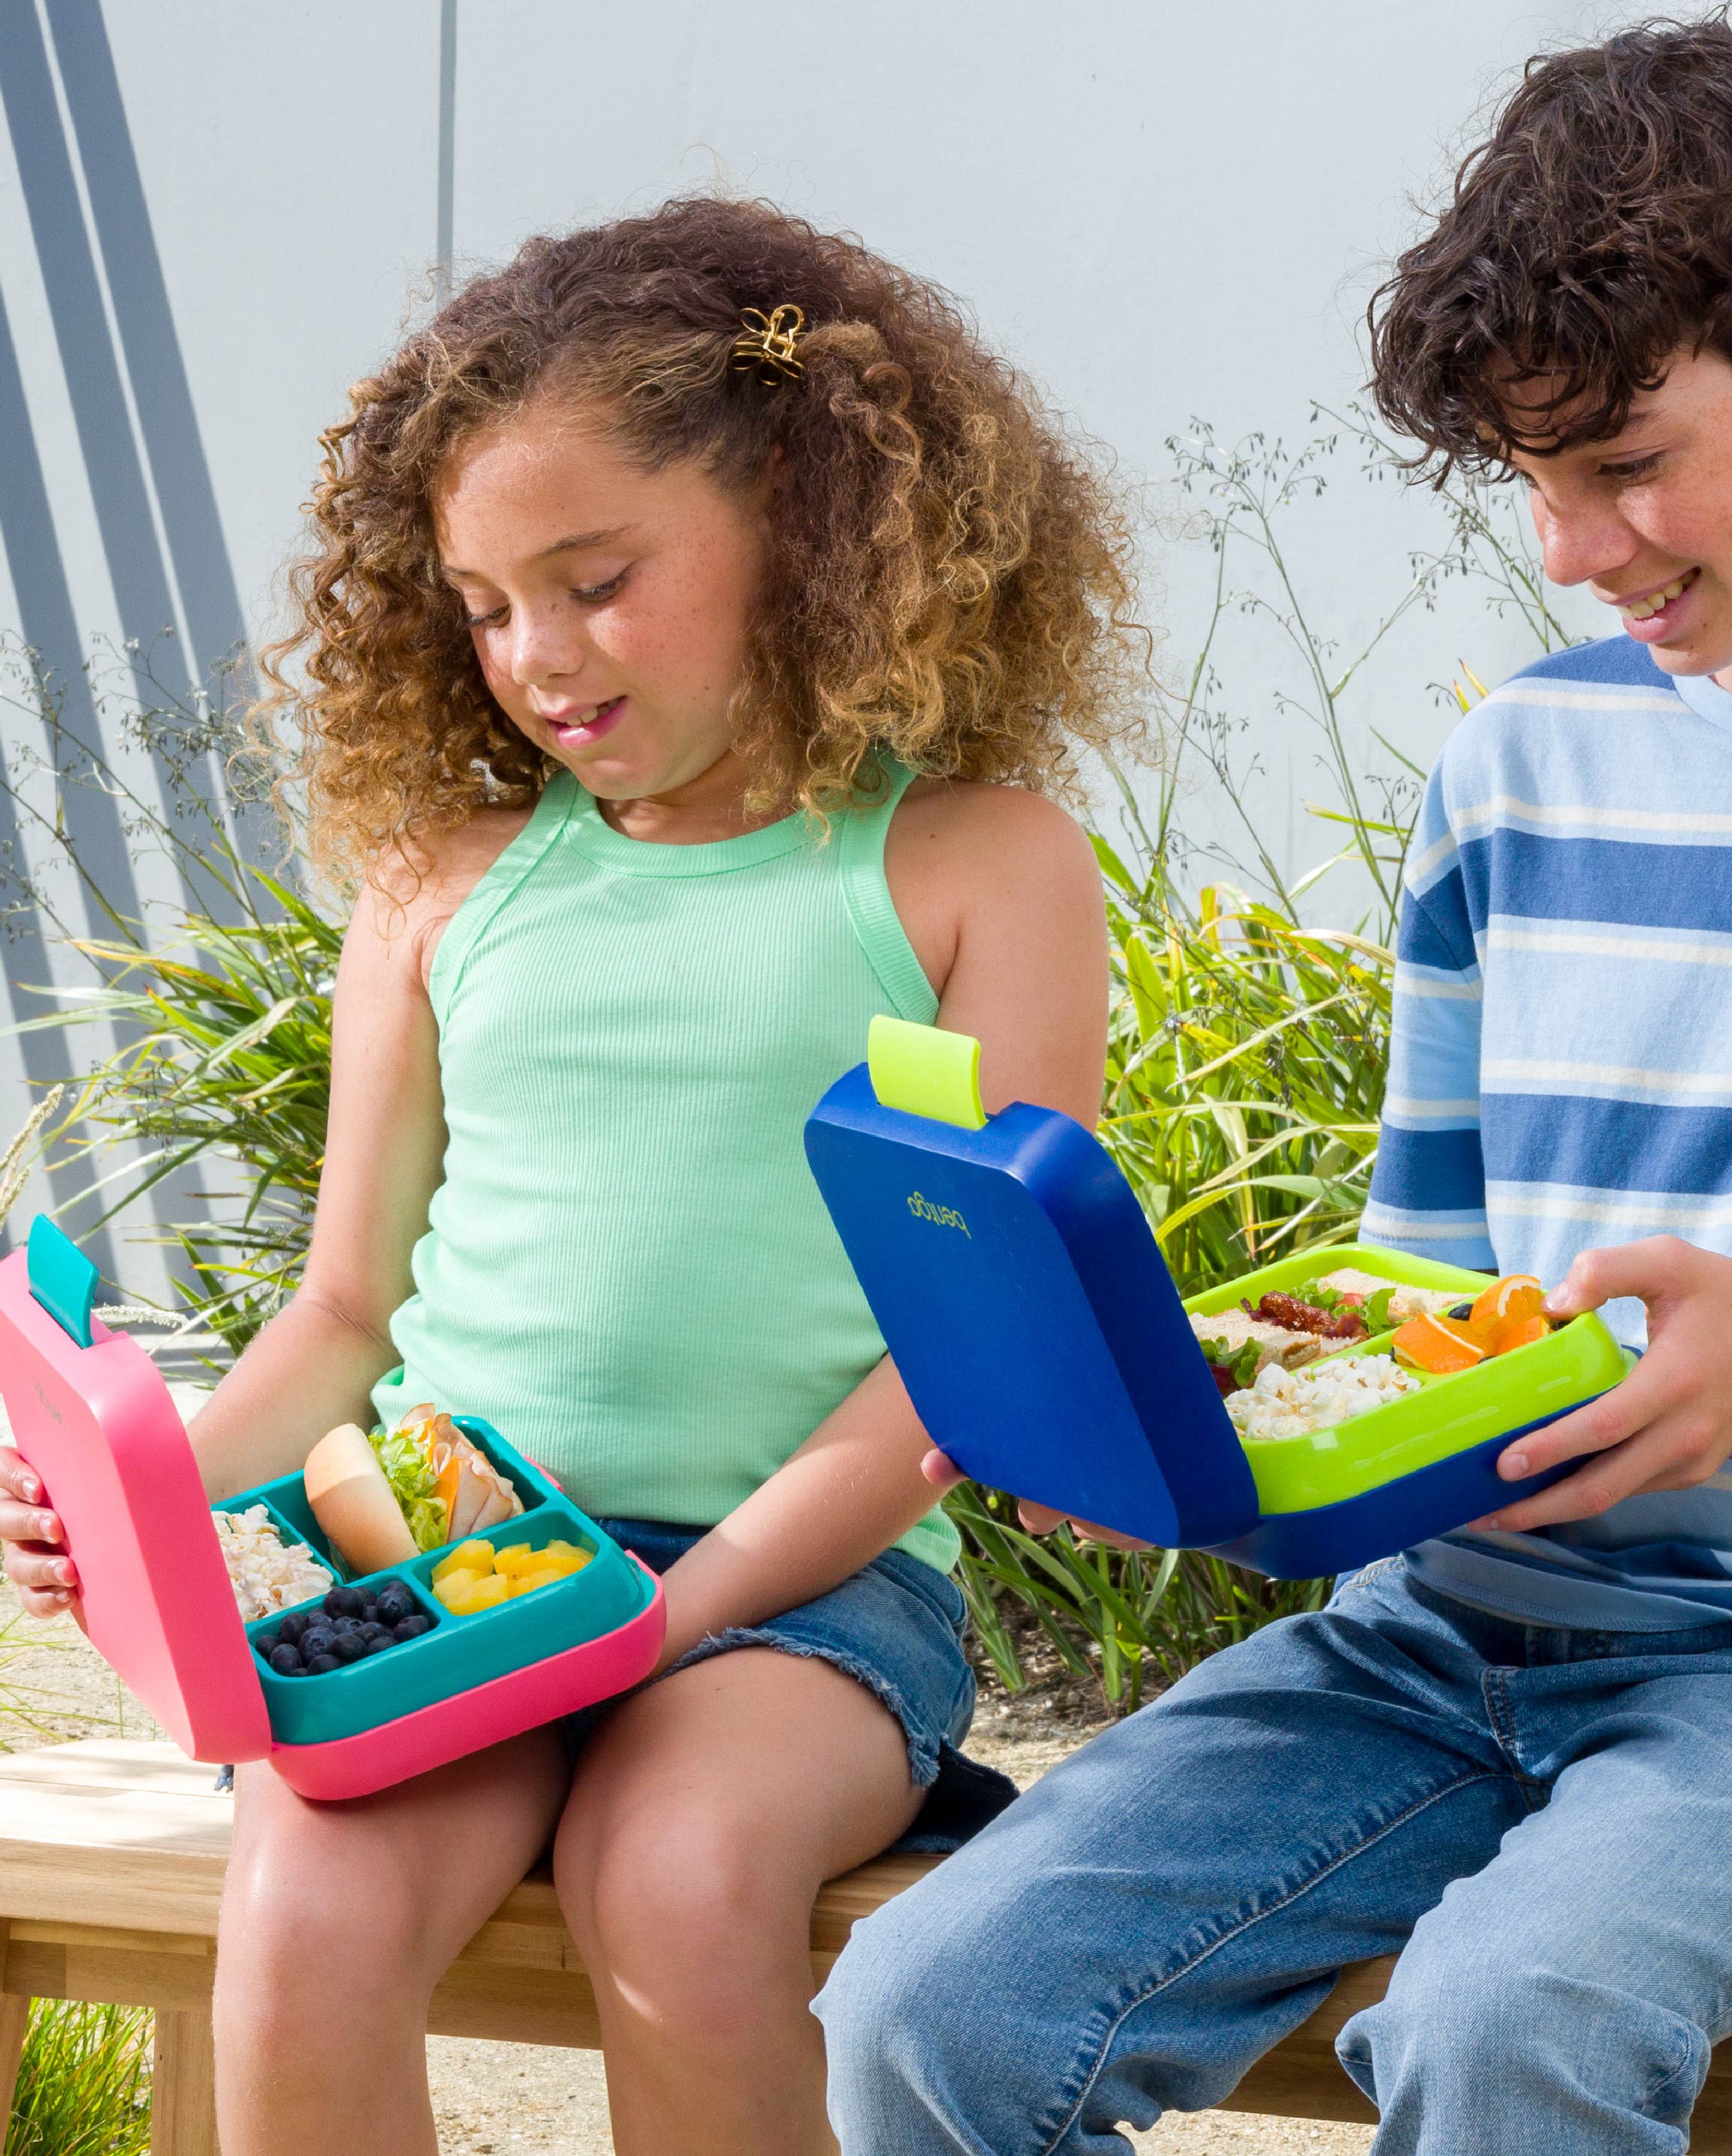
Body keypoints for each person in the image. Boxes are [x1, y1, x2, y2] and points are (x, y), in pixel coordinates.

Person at [815, 14, 1732, 2154]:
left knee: (1513, 2023)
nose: (1571, 548)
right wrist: (1193, 1447)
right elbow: (1434, 1288)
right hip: (1441, 1635)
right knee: (926, 2005)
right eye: (1532, 485)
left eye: (1624, 464)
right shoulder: (1517, 769)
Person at [0, 197, 1135, 2155]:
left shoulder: (973, 867)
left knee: (680, 1888)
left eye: (597, 580)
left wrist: (669, 1613)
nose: (534, 654)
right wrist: (151, 1504)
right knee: (303, 1913)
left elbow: (962, 1362)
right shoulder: (446, 887)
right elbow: (345, 1313)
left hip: (808, 1597)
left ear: (802, 513)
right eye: (484, 602)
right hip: (449, 1569)